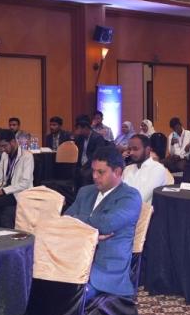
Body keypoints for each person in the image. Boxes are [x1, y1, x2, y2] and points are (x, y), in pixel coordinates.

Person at [64, 147, 143, 298]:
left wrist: (78, 219)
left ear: (117, 172)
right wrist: (92, 233)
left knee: (69, 296)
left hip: (105, 271)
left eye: (101, 172)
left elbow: (107, 224)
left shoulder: (130, 197)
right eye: (93, 171)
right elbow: (65, 221)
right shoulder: (85, 192)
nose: (94, 176)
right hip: (73, 260)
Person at [0, 130, 34, 227]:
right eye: (1, 146)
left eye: (4, 146)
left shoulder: (27, 156)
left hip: (19, 193)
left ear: (13, 142)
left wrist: (2, 191)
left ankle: (1, 230)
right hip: (6, 191)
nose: (3, 149)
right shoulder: (4, 155)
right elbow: (1, 180)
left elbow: (25, 183)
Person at [122, 134, 170, 203]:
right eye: (130, 149)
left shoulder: (157, 169)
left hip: (145, 209)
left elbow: (141, 197)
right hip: (123, 207)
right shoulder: (127, 169)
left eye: (135, 149)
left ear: (147, 150)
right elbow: (118, 192)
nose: (131, 153)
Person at [73, 115, 108, 185]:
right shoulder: (80, 138)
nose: (78, 131)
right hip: (81, 164)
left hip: (92, 165)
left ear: (86, 128)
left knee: (85, 175)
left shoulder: (97, 138)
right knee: (73, 172)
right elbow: (77, 152)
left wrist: (85, 166)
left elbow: (97, 155)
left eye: (79, 129)